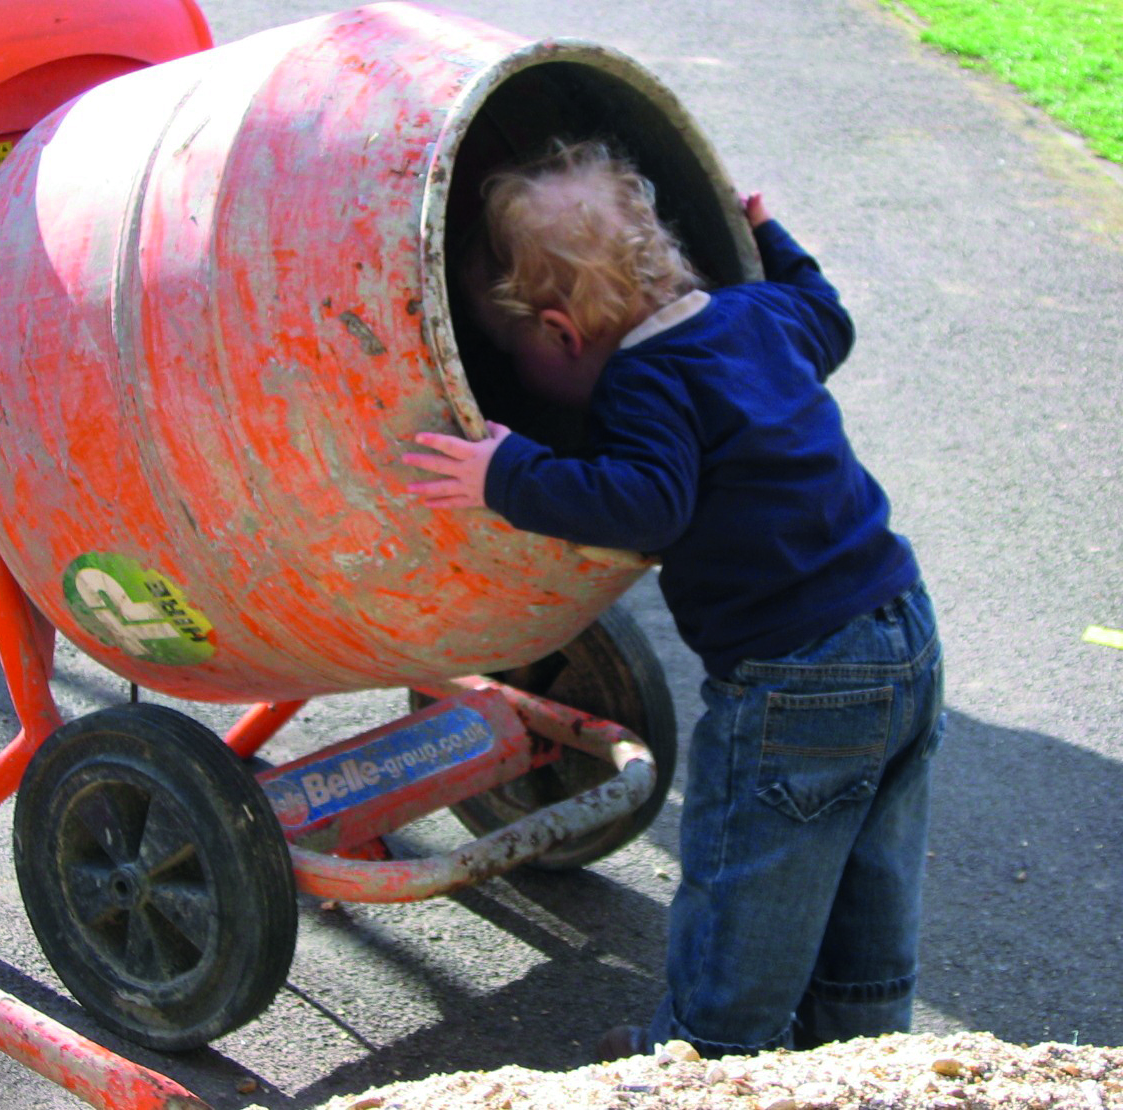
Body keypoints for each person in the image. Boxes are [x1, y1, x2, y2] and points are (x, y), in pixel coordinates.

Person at [402, 140, 945, 1060]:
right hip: (901, 631)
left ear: (561, 331)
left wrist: (509, 472)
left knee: (747, 885)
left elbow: (647, 501)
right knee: (868, 878)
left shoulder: (643, 384)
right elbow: (829, 316)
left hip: (794, 676)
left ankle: (704, 1059)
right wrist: (772, 236)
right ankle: (861, 1056)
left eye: (518, 351)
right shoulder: (761, 315)